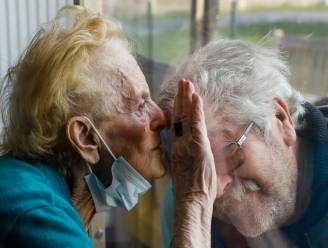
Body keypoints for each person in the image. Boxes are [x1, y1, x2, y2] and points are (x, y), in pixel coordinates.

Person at [0, 5, 216, 247]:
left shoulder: (36, 187)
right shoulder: (35, 214)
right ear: (85, 138)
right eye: (140, 105)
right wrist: (194, 198)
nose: (161, 118)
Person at [160, 39, 328, 248]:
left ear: (281, 119)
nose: (216, 190)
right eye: (202, 167)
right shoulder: (187, 200)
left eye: (231, 157)